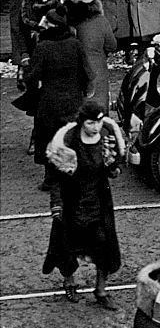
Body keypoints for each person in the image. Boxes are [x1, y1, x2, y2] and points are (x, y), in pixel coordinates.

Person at [43, 99, 125, 308]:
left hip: (98, 201)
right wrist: (56, 204)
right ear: (82, 122)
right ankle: (69, 282)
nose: (95, 127)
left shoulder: (107, 137)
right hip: (72, 201)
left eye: (98, 122)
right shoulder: (68, 141)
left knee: (104, 244)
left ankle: (101, 290)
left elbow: (112, 169)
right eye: (90, 123)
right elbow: (55, 177)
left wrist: (113, 168)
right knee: (66, 245)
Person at [28, 7, 91, 189]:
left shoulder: (43, 47)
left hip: (49, 102)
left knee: (49, 138)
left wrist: (33, 93)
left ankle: (51, 179)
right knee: (71, 137)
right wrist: (84, 92)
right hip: (73, 101)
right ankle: (74, 176)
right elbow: (87, 72)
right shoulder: (75, 44)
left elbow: (32, 77)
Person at [68, 0, 116, 112]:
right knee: (99, 109)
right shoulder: (101, 21)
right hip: (98, 70)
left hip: (75, 72)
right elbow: (112, 45)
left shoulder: (70, 22)